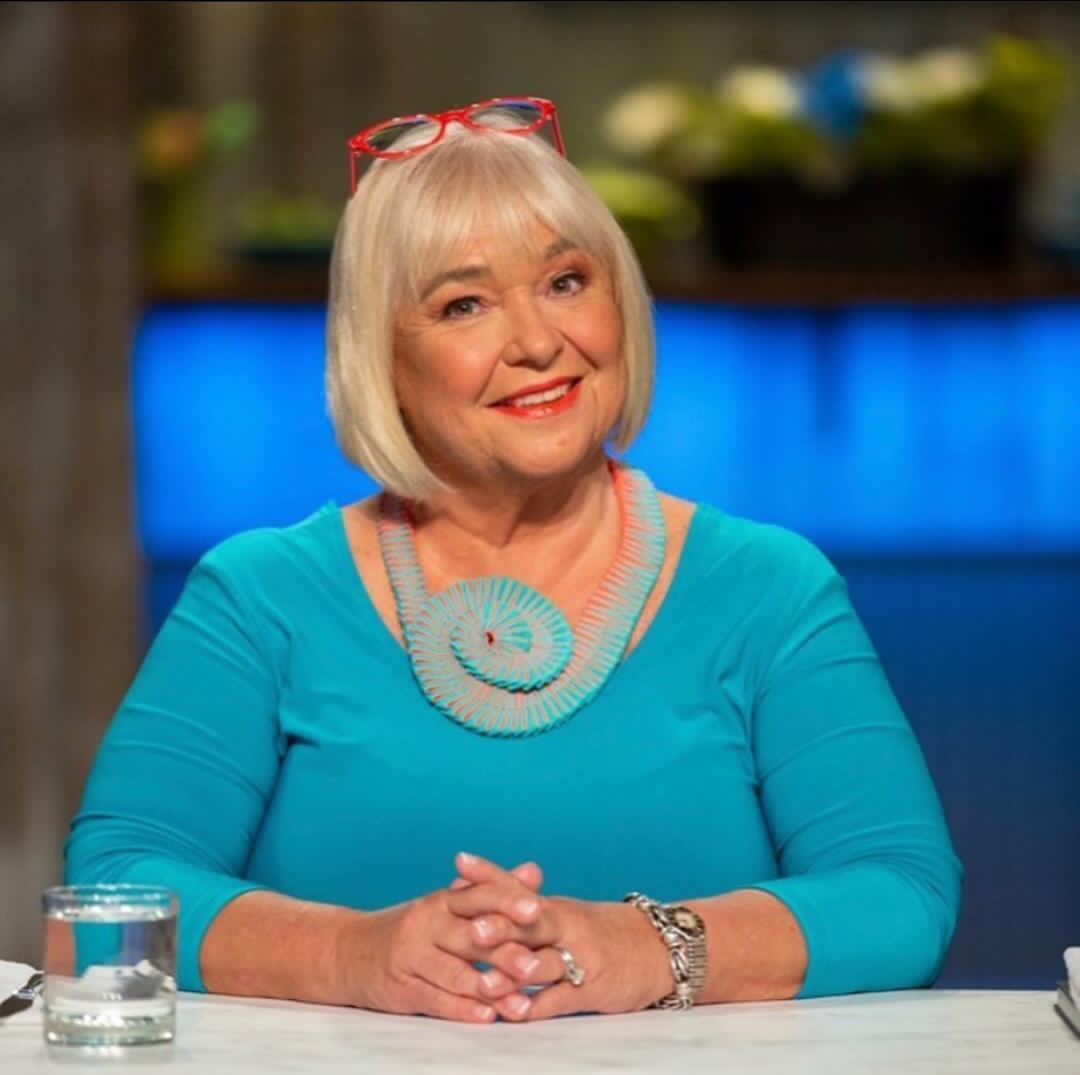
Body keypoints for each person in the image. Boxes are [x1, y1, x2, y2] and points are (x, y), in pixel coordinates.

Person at [65, 96, 962, 1024]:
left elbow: (903, 894)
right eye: (464, 304)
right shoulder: (260, 596)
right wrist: (351, 955)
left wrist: (649, 945)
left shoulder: (769, 587)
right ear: (382, 357)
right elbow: (105, 900)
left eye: (566, 281)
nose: (538, 343)